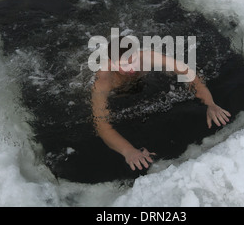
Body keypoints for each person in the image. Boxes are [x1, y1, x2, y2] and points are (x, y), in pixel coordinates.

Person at [90, 37, 231, 171]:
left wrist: (210, 103)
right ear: (111, 62)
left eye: (133, 61)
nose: (131, 69)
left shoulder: (147, 57)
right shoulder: (103, 81)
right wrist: (128, 151)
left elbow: (188, 72)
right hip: (118, 94)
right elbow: (101, 125)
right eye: (124, 65)